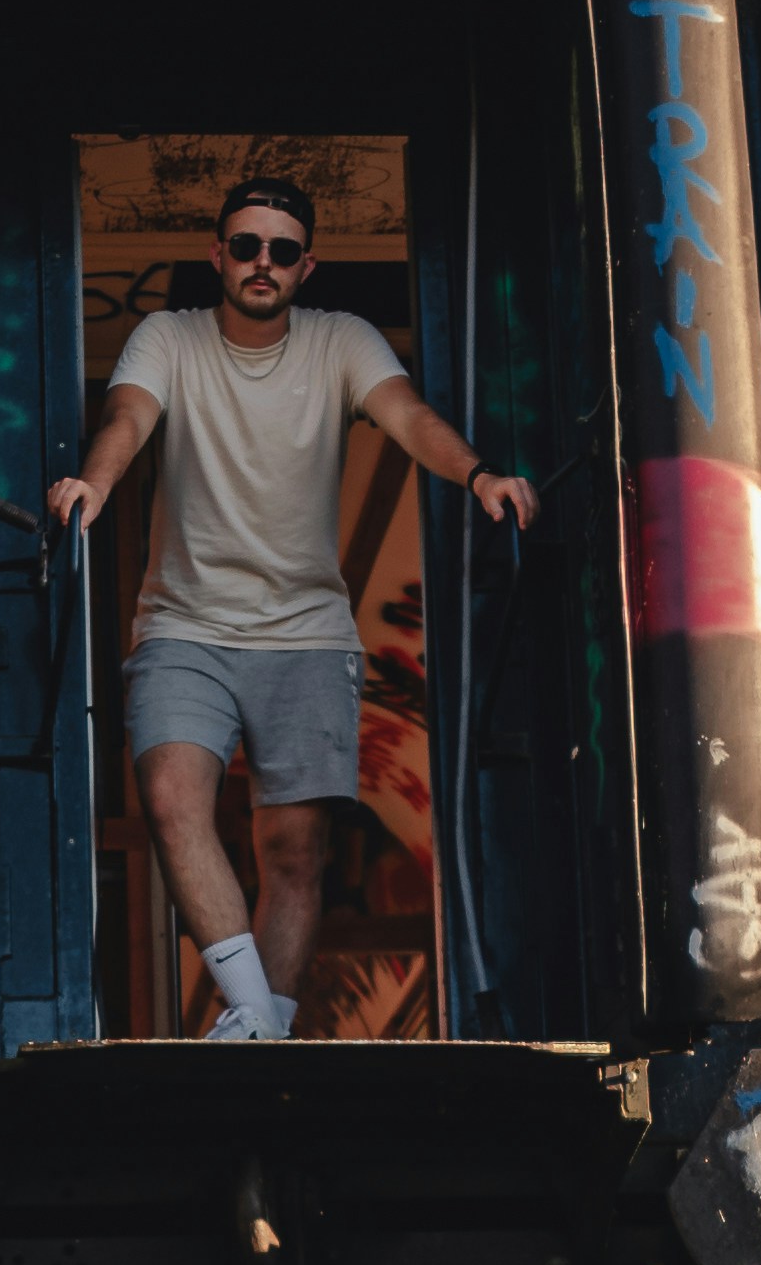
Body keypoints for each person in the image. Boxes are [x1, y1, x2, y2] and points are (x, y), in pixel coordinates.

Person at [48, 175, 536, 1041]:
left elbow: (409, 417)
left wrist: (479, 475)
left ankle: (256, 1035)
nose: (261, 263)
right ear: (218, 256)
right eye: (245, 246)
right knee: (170, 798)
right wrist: (95, 482)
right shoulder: (170, 337)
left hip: (308, 637)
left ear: (306, 266)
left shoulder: (341, 341)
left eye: (281, 251)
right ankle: (257, 1017)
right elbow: (128, 416)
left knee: (294, 853)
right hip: (184, 629)